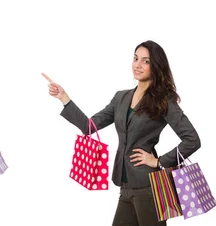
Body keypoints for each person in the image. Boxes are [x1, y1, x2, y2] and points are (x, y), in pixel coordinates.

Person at [43, 40, 201, 226]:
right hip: (125, 185)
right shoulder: (121, 97)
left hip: (148, 185)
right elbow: (89, 127)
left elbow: (192, 140)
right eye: (135, 58)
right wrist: (64, 98)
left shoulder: (163, 100)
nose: (138, 64)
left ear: (156, 66)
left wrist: (159, 161)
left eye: (145, 61)